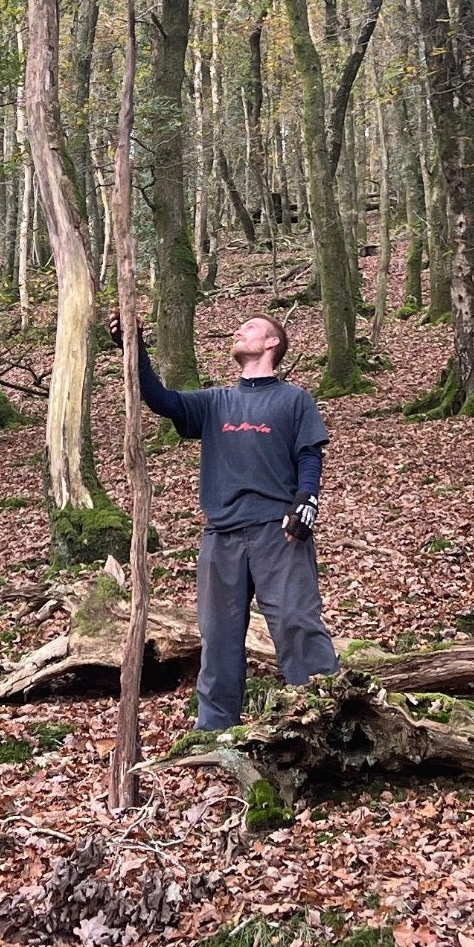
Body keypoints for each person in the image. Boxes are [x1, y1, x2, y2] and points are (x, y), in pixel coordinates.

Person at [124, 311, 340, 730]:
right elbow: (161, 399)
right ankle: (215, 730)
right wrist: (136, 346)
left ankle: (327, 721)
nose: (239, 331)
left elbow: (310, 453)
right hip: (221, 535)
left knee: (297, 623)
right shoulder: (215, 401)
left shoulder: (293, 399)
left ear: (272, 343)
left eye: (252, 328)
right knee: (218, 637)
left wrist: (307, 501)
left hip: (279, 532)